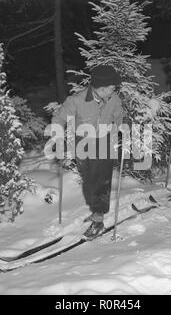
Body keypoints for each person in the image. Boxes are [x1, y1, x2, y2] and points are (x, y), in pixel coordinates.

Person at [52, 65, 123, 239]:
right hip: (82, 144)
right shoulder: (76, 100)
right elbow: (59, 118)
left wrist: (124, 128)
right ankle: (95, 209)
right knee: (88, 180)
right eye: (111, 88)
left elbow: (119, 116)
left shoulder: (113, 99)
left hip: (104, 143)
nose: (113, 91)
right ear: (102, 87)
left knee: (101, 181)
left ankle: (98, 219)